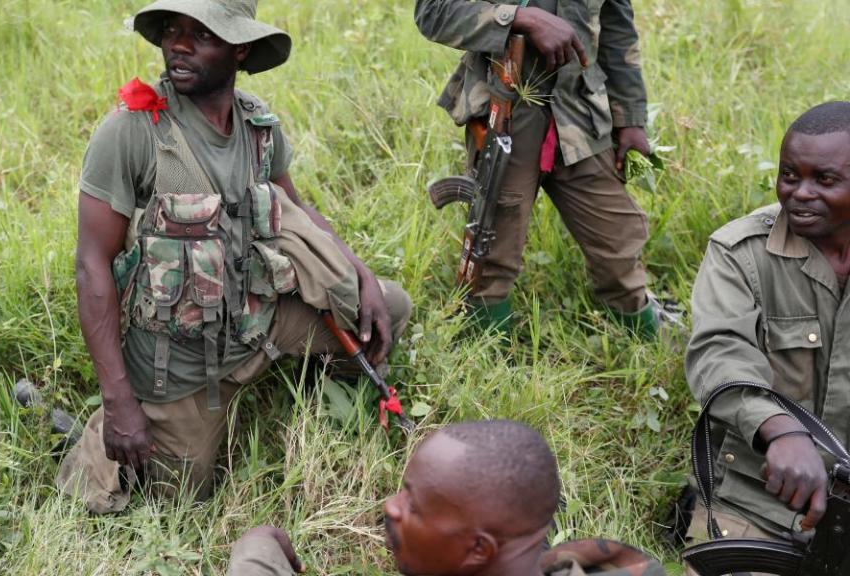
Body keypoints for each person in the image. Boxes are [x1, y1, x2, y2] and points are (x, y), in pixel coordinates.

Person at [56, 0, 412, 514]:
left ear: (240, 47)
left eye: (201, 34)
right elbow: (92, 264)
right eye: (173, 30)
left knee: (387, 312)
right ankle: (93, 436)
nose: (178, 44)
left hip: (257, 323)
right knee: (178, 507)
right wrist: (118, 402)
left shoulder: (256, 123)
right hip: (175, 362)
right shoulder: (132, 130)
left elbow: (298, 207)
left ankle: (299, 396)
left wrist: (361, 278)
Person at [413, 0, 674, 338]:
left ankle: (643, 334)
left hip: (580, 115)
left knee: (619, 238)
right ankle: (483, 354)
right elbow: (433, 12)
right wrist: (521, 19)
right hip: (507, 111)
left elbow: (616, 28)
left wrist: (631, 119)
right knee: (491, 251)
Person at [683, 102, 850, 549]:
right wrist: (780, 428)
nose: (800, 193)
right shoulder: (740, 252)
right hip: (760, 497)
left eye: (826, 180)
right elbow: (718, 351)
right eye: (789, 175)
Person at [225, 420, 664, 576]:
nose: (390, 507)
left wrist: (257, 546)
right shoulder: (620, 563)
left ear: (479, 549)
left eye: (414, 505)